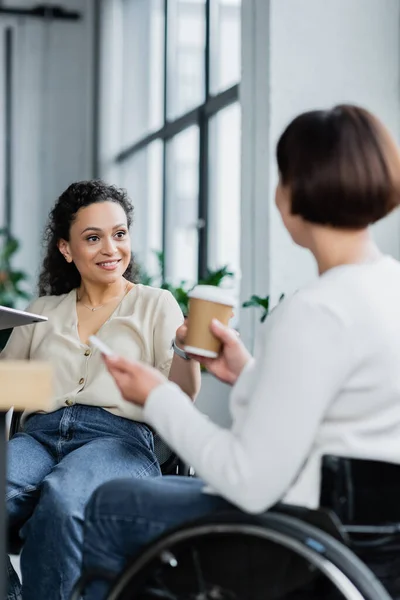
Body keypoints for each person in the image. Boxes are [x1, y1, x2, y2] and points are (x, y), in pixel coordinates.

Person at [80, 105, 400, 599]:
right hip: (372, 544)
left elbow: (247, 482)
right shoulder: (389, 287)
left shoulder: (316, 310)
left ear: (295, 190)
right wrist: (247, 373)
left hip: (301, 539)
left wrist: (157, 395)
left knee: (110, 503)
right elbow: (342, 417)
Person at [4, 180, 201, 600]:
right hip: (38, 434)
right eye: (93, 238)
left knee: (64, 498)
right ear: (66, 248)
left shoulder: (154, 303)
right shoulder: (42, 311)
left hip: (119, 437)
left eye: (120, 233)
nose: (111, 249)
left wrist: (187, 350)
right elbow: (9, 390)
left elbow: (180, 398)